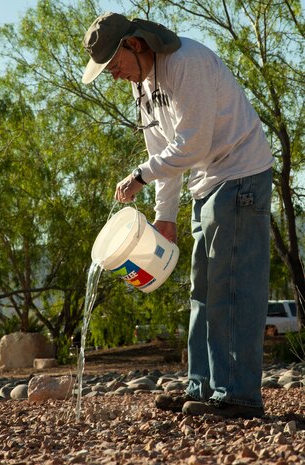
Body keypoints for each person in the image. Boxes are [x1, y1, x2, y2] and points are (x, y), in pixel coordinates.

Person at [82, 12, 274, 419]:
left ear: (134, 44)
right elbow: (160, 153)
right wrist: (164, 216)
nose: (115, 76)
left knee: (233, 287)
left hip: (240, 173)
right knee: (202, 291)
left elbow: (192, 143)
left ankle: (239, 395)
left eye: (114, 66)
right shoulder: (143, 86)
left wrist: (139, 177)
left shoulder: (186, 63)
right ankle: (202, 387)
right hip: (206, 184)